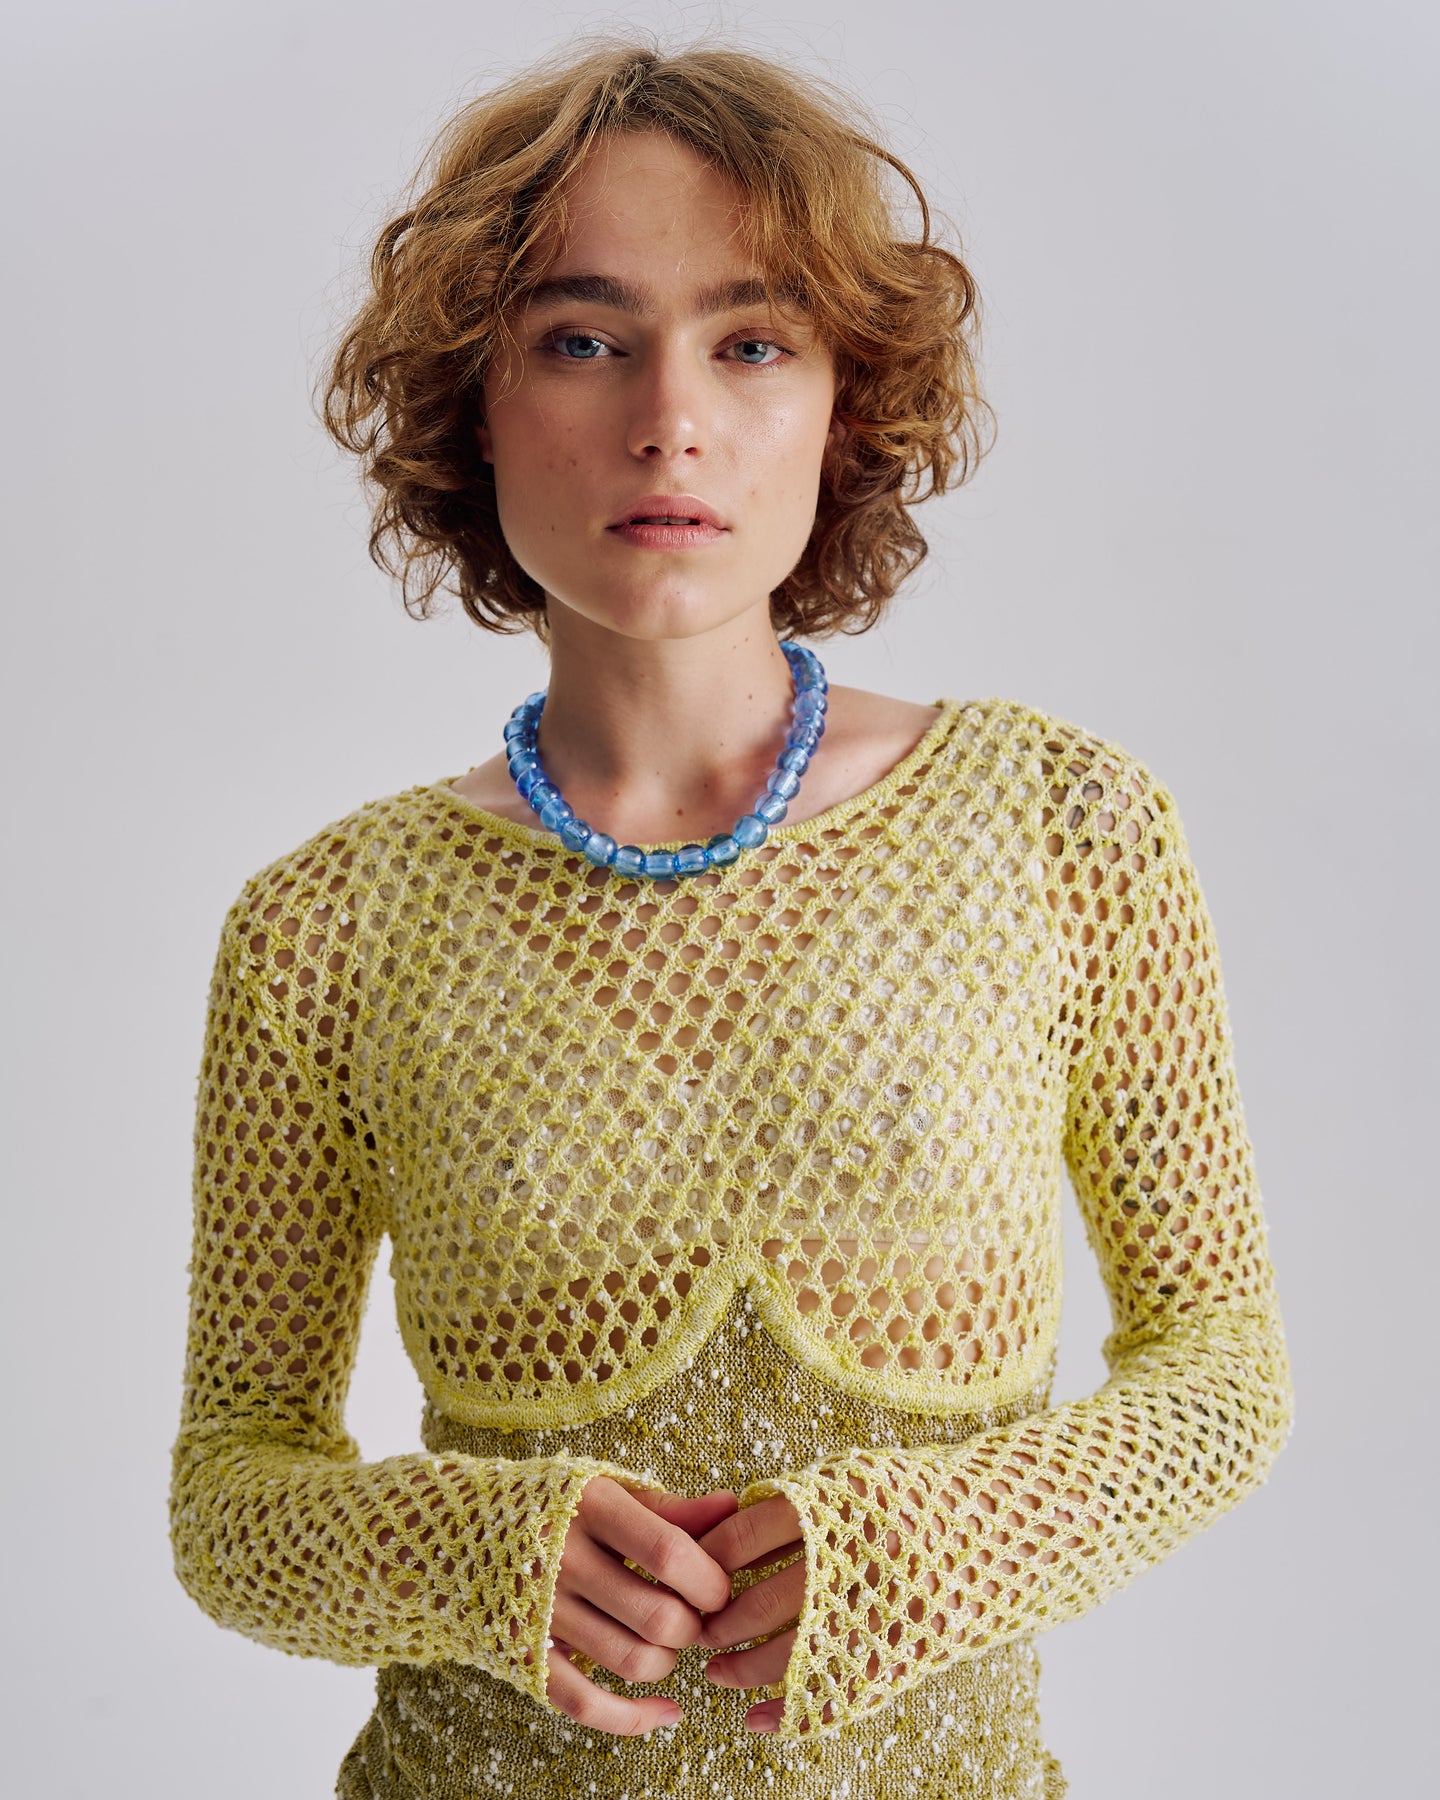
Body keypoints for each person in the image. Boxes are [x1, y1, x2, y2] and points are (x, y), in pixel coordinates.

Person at [168, 34, 1295, 1800]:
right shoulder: (328, 930)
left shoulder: (1065, 831)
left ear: (845, 403)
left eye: (752, 342)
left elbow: (1221, 1372)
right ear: (475, 401)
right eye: (582, 338)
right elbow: (234, 1491)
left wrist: (961, 1536)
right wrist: (466, 1553)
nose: (669, 417)